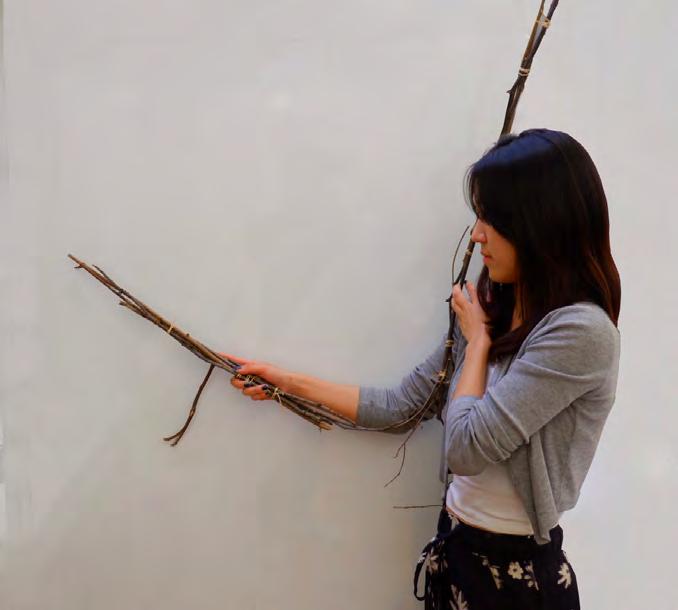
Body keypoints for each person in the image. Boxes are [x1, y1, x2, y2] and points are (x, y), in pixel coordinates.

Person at [219, 128, 621, 609]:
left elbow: (466, 450)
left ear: (540, 224)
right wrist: (286, 384)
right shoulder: (493, 309)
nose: (477, 234)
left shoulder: (580, 333)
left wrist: (478, 345)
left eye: (492, 219)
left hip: (518, 584)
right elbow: (401, 407)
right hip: (457, 554)